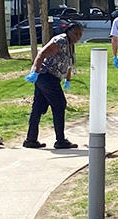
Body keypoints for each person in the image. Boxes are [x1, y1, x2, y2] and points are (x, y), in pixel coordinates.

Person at [24, 22, 84, 150]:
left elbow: (68, 64)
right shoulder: (60, 41)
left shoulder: (70, 45)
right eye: (75, 33)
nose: (78, 36)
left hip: (51, 78)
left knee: (38, 107)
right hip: (46, 76)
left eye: (80, 34)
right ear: (68, 31)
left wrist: (68, 80)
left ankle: (31, 139)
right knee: (60, 104)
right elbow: (41, 54)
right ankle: (60, 140)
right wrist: (34, 72)